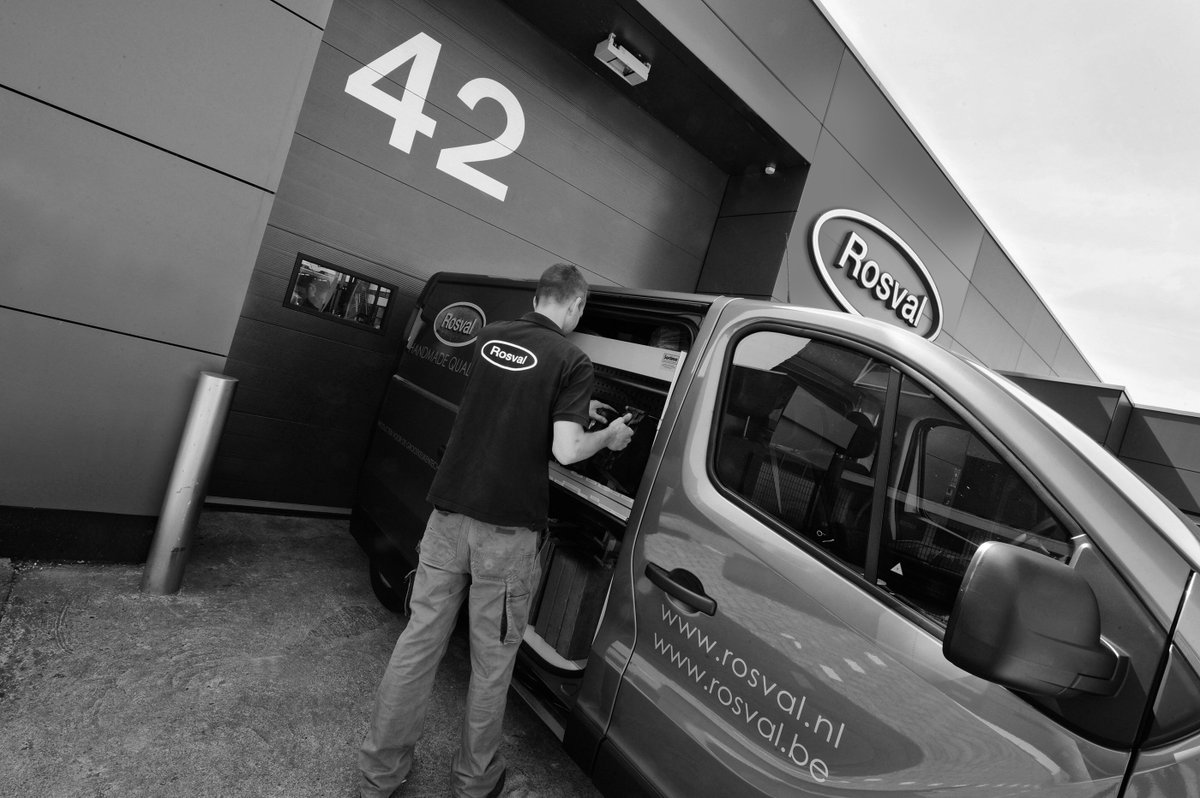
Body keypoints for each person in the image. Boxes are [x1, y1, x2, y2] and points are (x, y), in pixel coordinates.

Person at [358, 264, 634, 798]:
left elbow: (510, 400)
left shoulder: (489, 337)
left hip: (448, 516)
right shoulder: (572, 359)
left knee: (418, 644)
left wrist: (575, 408)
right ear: (576, 306)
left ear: (538, 295)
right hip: (505, 536)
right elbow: (567, 450)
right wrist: (610, 437)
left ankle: (379, 777)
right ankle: (473, 783)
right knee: (491, 663)